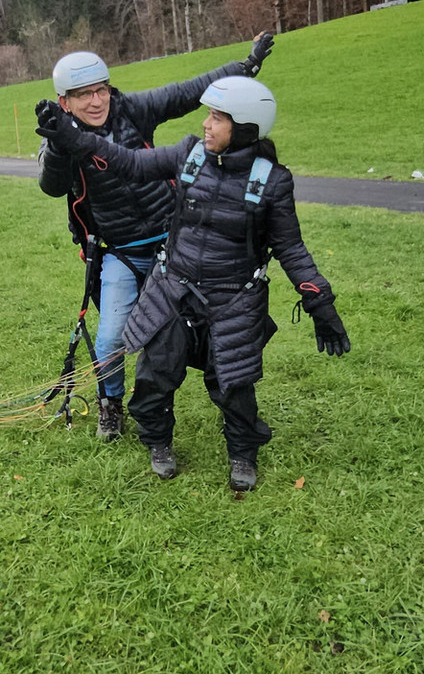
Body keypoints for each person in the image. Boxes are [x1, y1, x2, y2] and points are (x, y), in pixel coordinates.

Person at [36, 75, 350, 491]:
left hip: (233, 300)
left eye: (217, 118)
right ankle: (158, 442)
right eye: (208, 115)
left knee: (233, 386)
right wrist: (73, 142)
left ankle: (242, 453)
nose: (206, 124)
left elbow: (291, 249)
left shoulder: (272, 182)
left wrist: (320, 304)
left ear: (244, 128)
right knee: (154, 375)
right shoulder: (189, 155)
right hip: (173, 290)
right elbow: (128, 162)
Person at [38, 34, 275, 441]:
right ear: (64, 102)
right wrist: (61, 145)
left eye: (101, 91)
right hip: (120, 254)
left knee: (212, 326)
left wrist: (245, 67)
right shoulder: (59, 137)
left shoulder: (131, 110)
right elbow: (52, 185)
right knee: (112, 336)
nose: (96, 102)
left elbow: (186, 92)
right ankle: (110, 404)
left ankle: (236, 411)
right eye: (83, 95)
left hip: (174, 246)